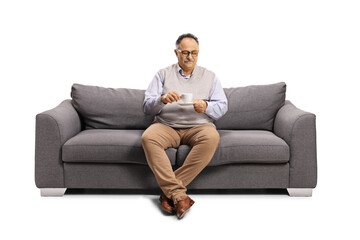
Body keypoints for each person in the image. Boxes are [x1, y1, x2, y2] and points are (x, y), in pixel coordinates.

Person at [141, 33, 228, 219]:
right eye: (186, 52)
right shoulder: (162, 74)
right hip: (167, 125)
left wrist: (207, 106)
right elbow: (147, 106)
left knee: (212, 137)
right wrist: (161, 99)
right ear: (176, 52)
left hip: (199, 126)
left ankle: (170, 193)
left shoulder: (210, 76)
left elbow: (222, 106)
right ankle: (179, 195)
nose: (190, 57)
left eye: (194, 53)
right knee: (148, 137)